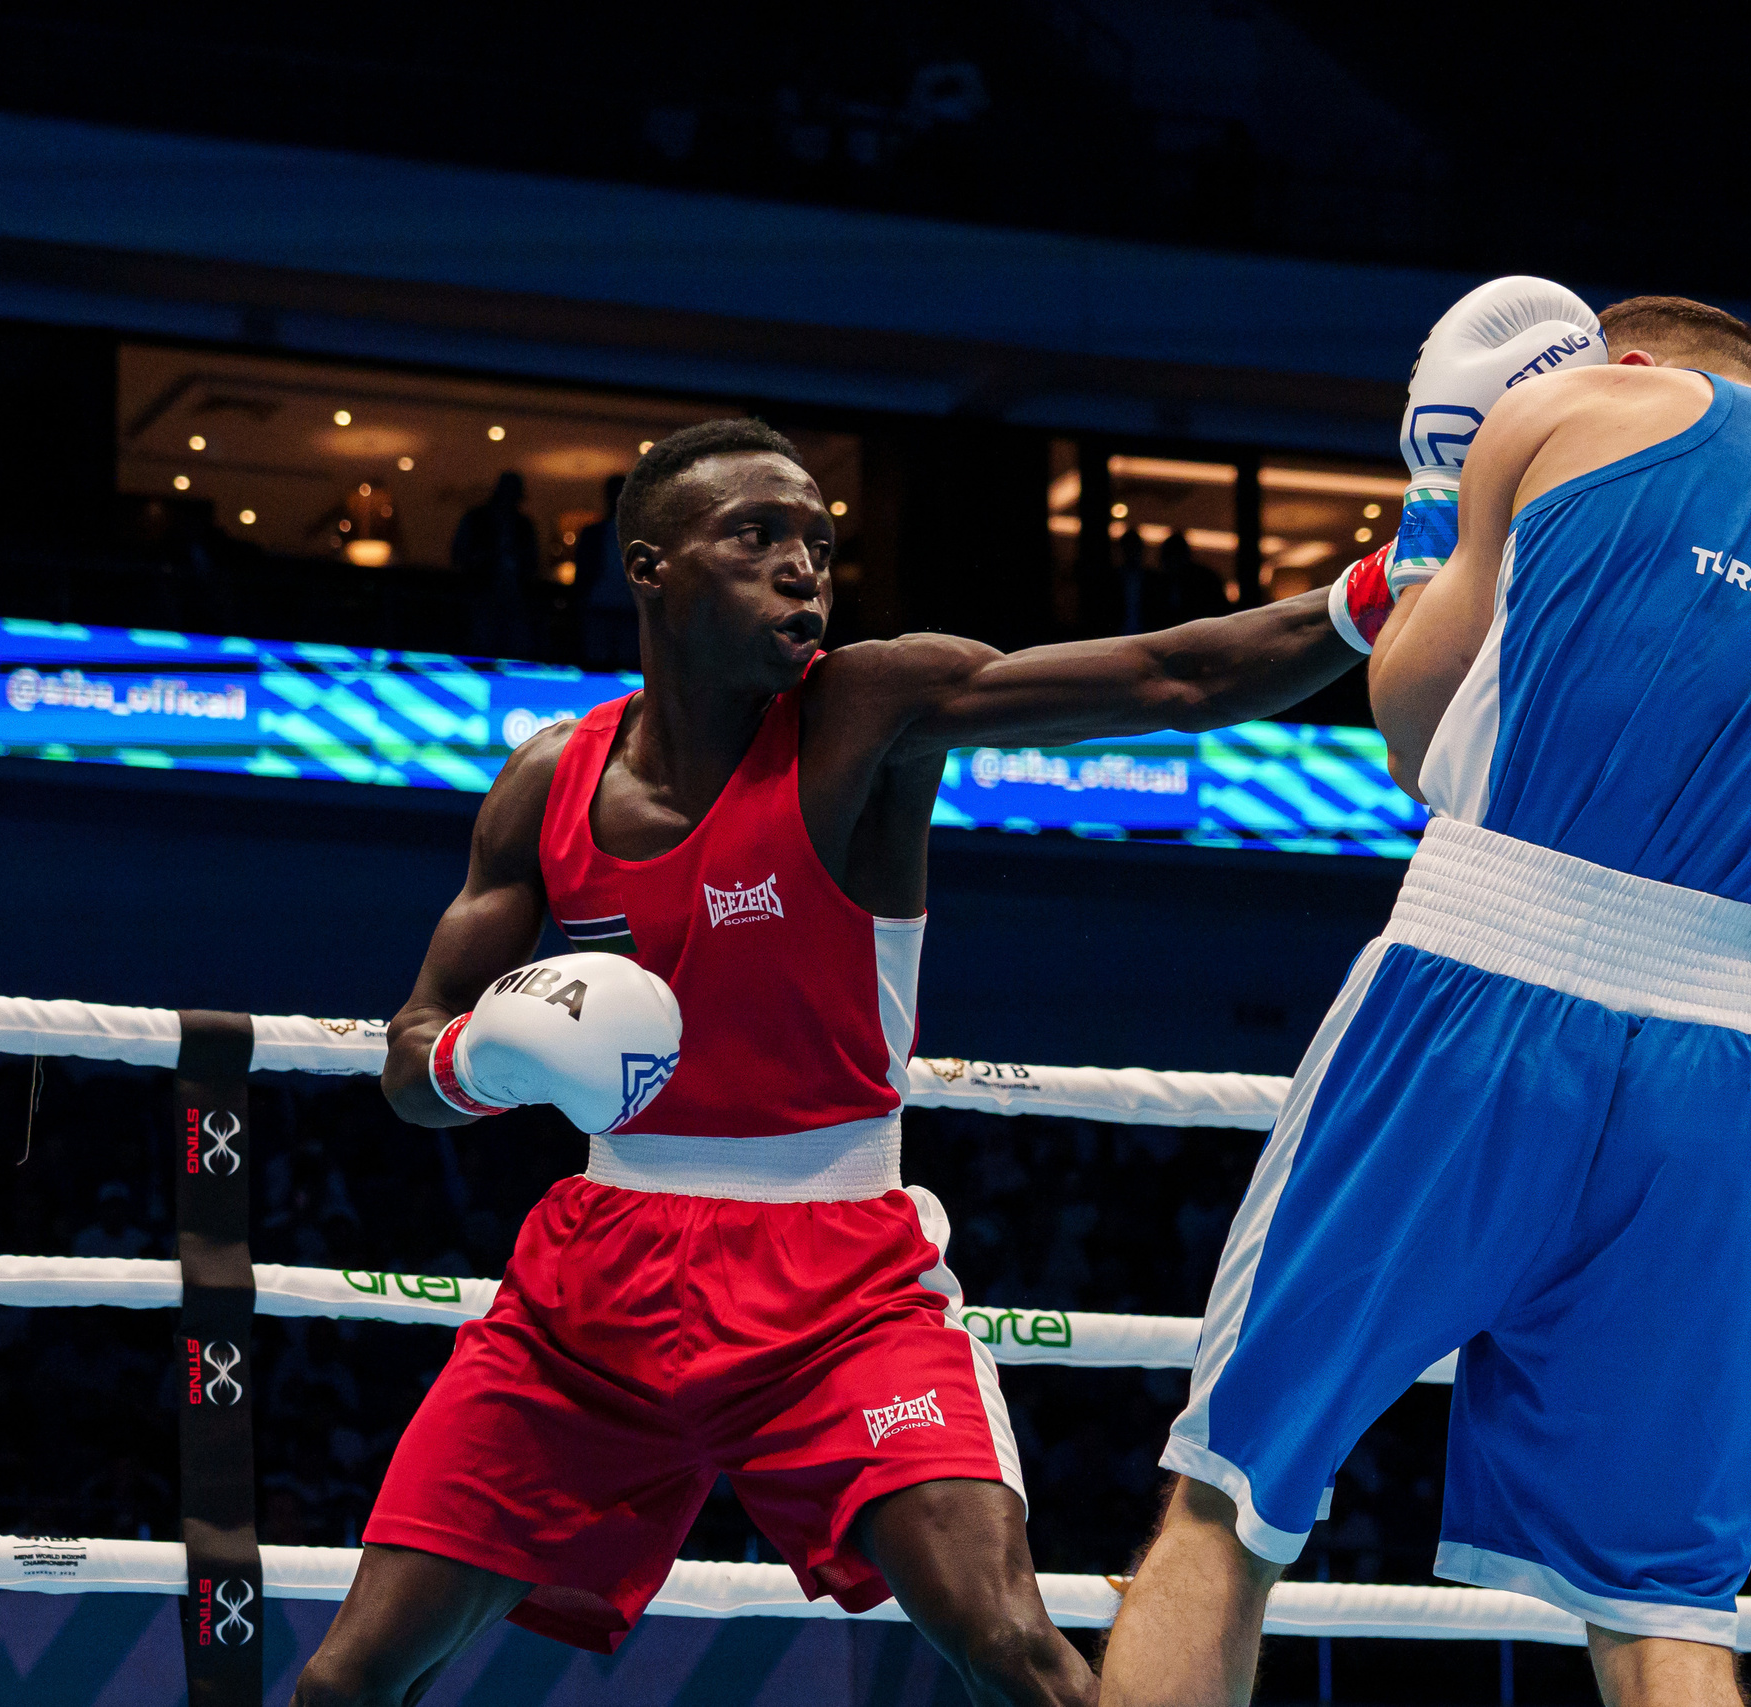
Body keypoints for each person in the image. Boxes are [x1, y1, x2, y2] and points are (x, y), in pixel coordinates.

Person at [291, 418, 1366, 1707]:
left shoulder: (870, 707)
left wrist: (1378, 590)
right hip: (591, 1291)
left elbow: (1170, 678)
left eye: (817, 539)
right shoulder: (548, 781)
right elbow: (412, 1058)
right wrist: (482, 1059)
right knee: (346, 1682)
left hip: (837, 1282)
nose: (803, 565)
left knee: (1009, 1645)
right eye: (756, 535)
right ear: (649, 567)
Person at [1101, 283, 1751, 1707]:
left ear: (1626, 359)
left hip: (1483, 973)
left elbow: (1412, 726)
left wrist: (1440, 500)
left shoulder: (1577, 407)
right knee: (1662, 1608)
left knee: (1226, 1502)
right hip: (1733, 1056)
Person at [451, 471, 543, 659]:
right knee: (485, 644)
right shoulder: (478, 519)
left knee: (509, 645)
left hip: (513, 597)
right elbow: (460, 554)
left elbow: (532, 561)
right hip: (484, 593)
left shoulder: (523, 525)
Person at [572, 473, 637, 671]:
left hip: (626, 608)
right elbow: (583, 571)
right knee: (599, 661)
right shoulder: (594, 533)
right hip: (600, 605)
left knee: (624, 663)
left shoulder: (639, 535)